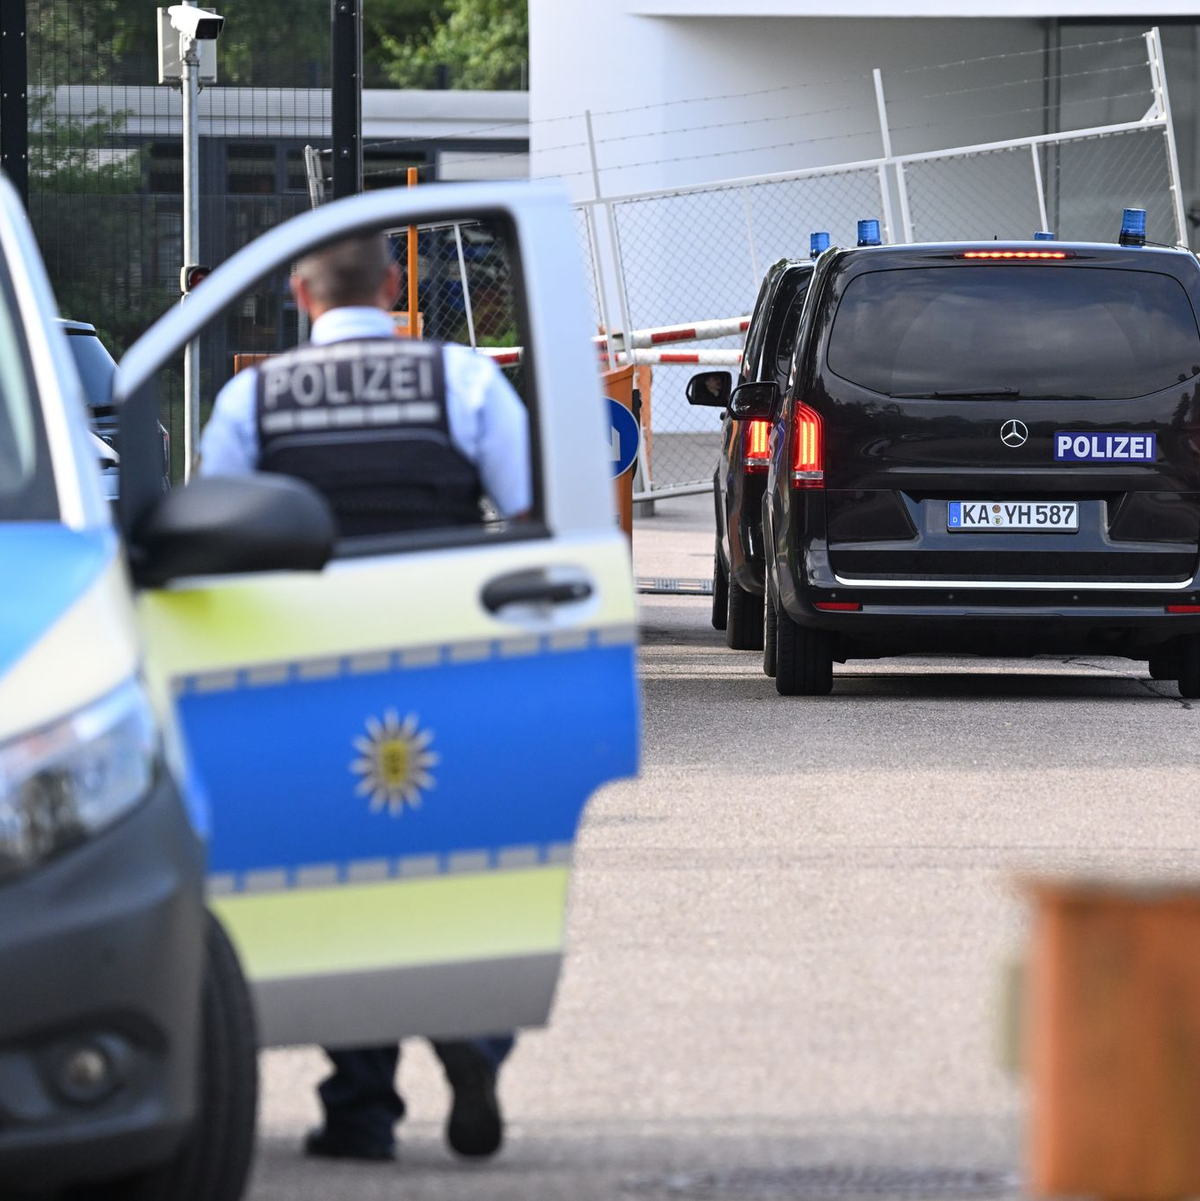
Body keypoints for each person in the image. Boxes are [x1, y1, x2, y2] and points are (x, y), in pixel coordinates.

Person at [199, 232, 527, 1163]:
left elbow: (213, 533)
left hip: (314, 671)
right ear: (392, 286)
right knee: (451, 861)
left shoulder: (255, 398)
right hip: (442, 664)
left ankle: (362, 1110)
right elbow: (533, 508)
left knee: (344, 872)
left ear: (301, 295)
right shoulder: (461, 381)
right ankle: (472, 1033)